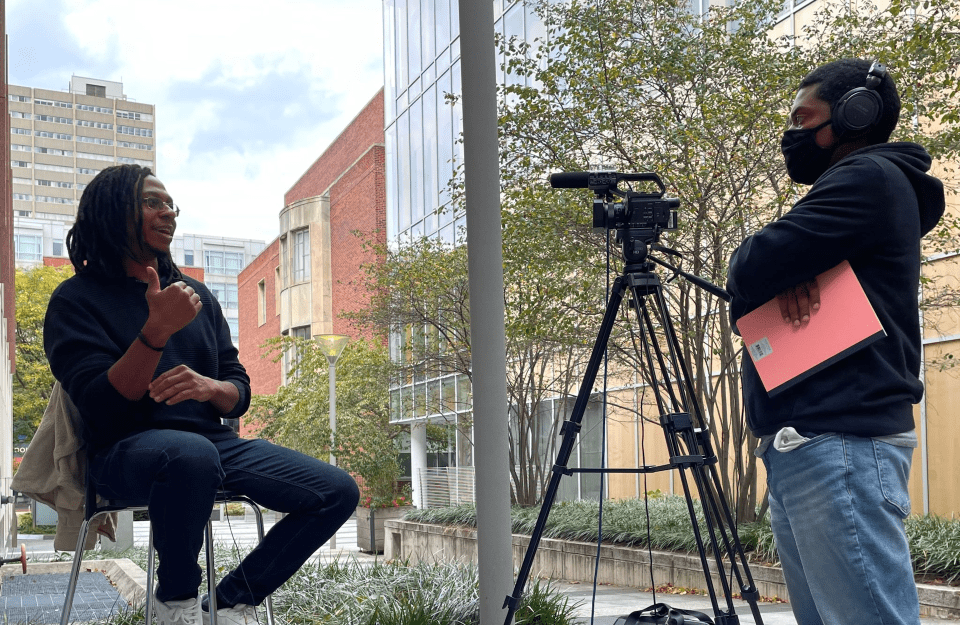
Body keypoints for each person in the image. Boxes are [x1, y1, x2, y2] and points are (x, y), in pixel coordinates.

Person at [44, 164, 360, 625]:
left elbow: (240, 388)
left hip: (213, 447)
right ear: (113, 211)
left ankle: (230, 600)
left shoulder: (195, 296)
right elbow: (101, 403)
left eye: (171, 204)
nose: (168, 214)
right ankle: (175, 602)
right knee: (188, 455)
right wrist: (155, 331)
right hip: (122, 454)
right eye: (152, 202)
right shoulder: (75, 300)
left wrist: (212, 387)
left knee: (336, 491)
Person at [726, 59, 945, 625]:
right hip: (817, 446)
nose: (792, 133)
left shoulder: (865, 178)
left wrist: (773, 275)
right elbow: (754, 293)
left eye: (805, 118)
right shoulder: (853, 193)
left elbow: (749, 268)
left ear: (855, 116)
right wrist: (781, 277)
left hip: (839, 443)